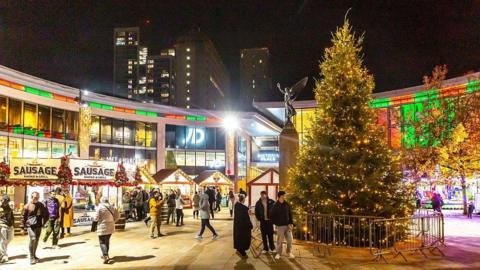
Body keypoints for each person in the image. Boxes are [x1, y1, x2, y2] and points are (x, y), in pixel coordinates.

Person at [21, 192, 48, 265]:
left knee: (36, 240)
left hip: (39, 225)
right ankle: (31, 257)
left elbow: (46, 213)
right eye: (35, 197)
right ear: (31, 197)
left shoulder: (41, 205)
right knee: (33, 239)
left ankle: (34, 255)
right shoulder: (27, 206)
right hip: (30, 225)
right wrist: (22, 227)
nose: (36, 198)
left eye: (38, 197)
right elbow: (23, 217)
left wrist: (44, 222)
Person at [270, 191, 295, 259]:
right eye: (284, 195)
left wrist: (291, 223)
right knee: (280, 241)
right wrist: (276, 223)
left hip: (288, 225)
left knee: (290, 239)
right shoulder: (275, 205)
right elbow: (271, 215)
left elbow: (290, 214)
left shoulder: (286, 204)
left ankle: (289, 252)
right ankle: (278, 253)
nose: (285, 196)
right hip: (280, 226)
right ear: (280, 196)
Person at [95, 197, 120, 264]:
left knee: (102, 242)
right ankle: (105, 254)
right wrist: (113, 221)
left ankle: (105, 256)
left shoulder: (99, 208)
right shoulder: (112, 207)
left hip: (102, 227)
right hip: (111, 226)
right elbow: (118, 216)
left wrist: (93, 227)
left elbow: (96, 218)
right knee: (106, 241)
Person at [0, 195, 14, 263]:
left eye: (6, 201)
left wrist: (13, 223)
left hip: (10, 225)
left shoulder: (9, 207)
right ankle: (4, 255)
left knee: (10, 238)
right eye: (3, 200)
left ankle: (1, 251)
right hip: (2, 225)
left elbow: (12, 215)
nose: (5, 202)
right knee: (3, 240)